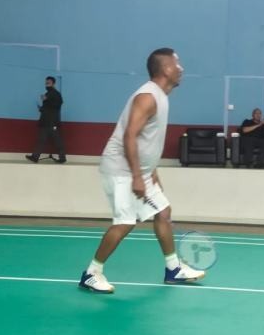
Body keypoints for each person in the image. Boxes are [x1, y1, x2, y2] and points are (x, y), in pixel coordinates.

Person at [79, 48, 205, 294]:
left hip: (140, 171)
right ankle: (91, 273)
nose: (181, 68)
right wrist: (138, 176)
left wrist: (151, 171)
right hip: (120, 170)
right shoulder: (147, 97)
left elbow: (147, 140)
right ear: (166, 69)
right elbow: (129, 136)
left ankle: (173, 269)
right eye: (177, 64)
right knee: (125, 222)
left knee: (163, 211)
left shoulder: (161, 96)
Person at [26, 76, 67, 163]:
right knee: (42, 140)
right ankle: (35, 157)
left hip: (52, 122)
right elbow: (48, 108)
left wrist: (47, 99)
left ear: (53, 83)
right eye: (46, 82)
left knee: (56, 140)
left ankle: (62, 158)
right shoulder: (48, 93)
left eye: (48, 83)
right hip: (46, 122)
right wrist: (41, 108)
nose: (46, 84)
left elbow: (57, 104)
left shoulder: (55, 94)